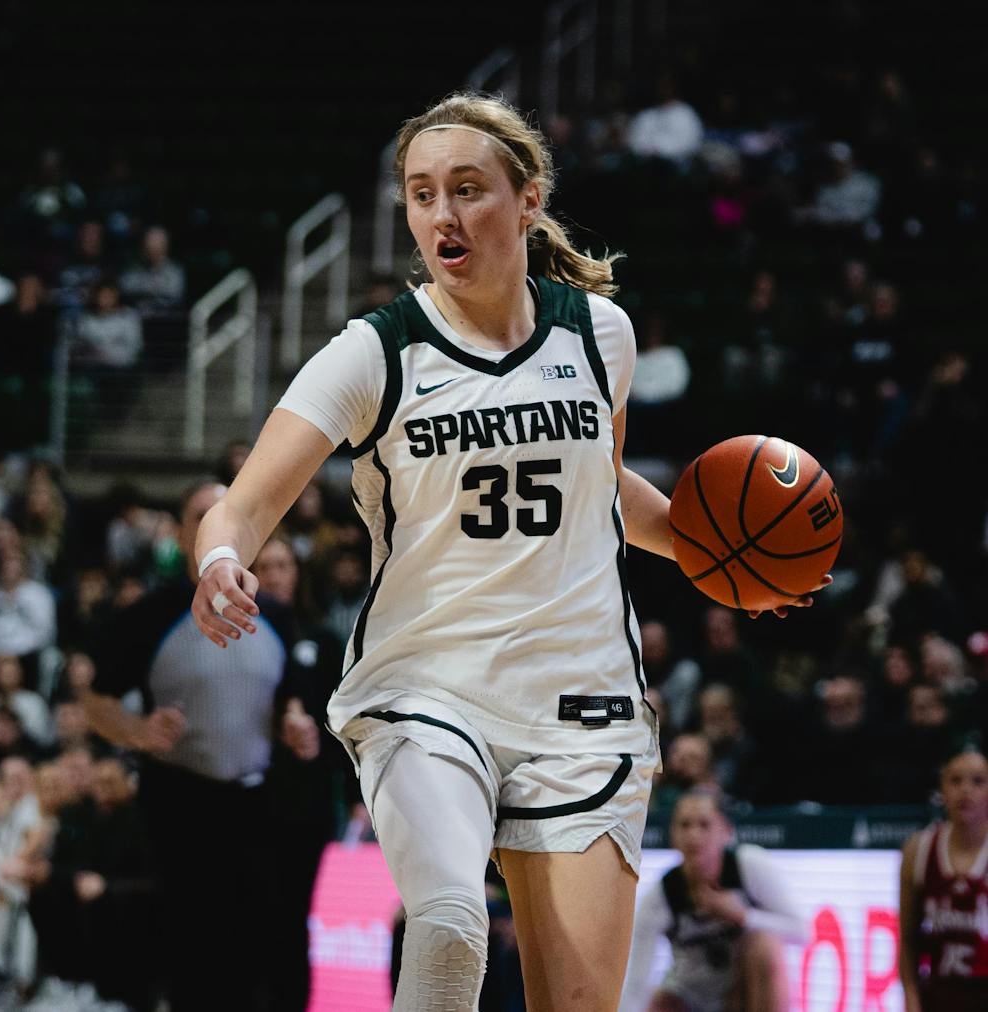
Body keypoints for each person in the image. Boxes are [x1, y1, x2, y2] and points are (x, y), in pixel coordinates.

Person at [190, 91, 822, 1011]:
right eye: (421, 194)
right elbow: (243, 507)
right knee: (449, 925)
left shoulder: (601, 335)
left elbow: (602, 491)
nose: (441, 214)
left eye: (466, 189)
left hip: (582, 697)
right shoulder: (377, 352)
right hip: (429, 685)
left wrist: (724, 558)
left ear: (528, 200)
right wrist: (218, 561)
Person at [82, 480, 321, 1011]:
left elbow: (292, 702)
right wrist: (135, 730)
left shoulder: (275, 614)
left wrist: (296, 723)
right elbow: (94, 702)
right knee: (194, 954)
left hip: (262, 806)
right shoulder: (147, 616)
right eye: (200, 514)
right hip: (178, 805)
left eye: (225, 512)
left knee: (272, 947)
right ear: (183, 531)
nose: (215, 521)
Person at [621, 789, 808, 1012]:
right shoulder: (662, 894)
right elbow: (637, 981)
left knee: (764, 945)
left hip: (742, 994)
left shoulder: (748, 866)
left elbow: (802, 933)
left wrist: (742, 916)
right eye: (685, 825)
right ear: (673, 834)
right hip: (691, 997)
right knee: (659, 1001)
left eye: (704, 825)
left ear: (726, 831)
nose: (693, 835)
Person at [899, 745, 988, 1012]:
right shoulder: (919, 849)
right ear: (942, 790)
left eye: (978, 781)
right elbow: (907, 941)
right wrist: (911, 1001)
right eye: (955, 780)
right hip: (938, 993)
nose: (966, 790)